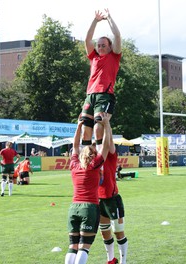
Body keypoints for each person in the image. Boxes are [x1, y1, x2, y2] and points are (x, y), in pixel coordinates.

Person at [65, 113, 111, 264]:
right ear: (93, 156)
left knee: (73, 246)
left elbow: (75, 145)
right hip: (89, 208)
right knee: (84, 247)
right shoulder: (94, 166)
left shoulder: (74, 165)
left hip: (73, 208)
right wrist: (106, 125)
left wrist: (79, 126)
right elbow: (105, 145)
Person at [80, 9, 121, 152]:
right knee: (85, 130)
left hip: (105, 95)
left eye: (104, 45)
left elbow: (117, 35)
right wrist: (95, 21)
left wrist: (109, 18)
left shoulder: (114, 56)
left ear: (110, 47)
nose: (100, 47)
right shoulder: (93, 57)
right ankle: (84, 161)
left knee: (98, 127)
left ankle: (100, 160)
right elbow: (87, 40)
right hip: (90, 95)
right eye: (99, 45)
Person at [98, 119, 128, 264]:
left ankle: (123, 261)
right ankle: (111, 260)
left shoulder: (110, 156)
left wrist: (107, 124)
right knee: (104, 233)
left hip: (112, 199)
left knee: (118, 232)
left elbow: (108, 141)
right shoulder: (94, 160)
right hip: (98, 200)